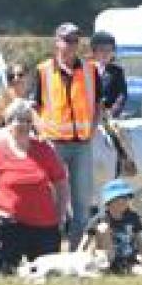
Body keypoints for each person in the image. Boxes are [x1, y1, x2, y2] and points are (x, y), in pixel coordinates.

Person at [0, 99, 70, 274]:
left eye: (26, 119)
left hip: (43, 224)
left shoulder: (44, 150)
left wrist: (61, 214)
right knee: (0, 274)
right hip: (9, 224)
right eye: (17, 119)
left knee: (49, 276)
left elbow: (61, 183)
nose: (22, 124)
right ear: (8, 125)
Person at [34, 22, 102, 250]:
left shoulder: (91, 70)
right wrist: (42, 132)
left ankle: (76, 253)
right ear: (57, 42)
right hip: (54, 145)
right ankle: (50, 249)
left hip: (82, 144)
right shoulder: (43, 71)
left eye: (75, 40)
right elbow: (35, 107)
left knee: (82, 205)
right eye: (67, 40)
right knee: (54, 203)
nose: (71, 45)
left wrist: (93, 128)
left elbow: (99, 104)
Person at [81, 179, 142, 275]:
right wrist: (78, 262)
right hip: (104, 260)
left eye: (127, 197)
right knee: (103, 228)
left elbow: (140, 242)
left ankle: (124, 269)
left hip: (128, 261)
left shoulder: (133, 217)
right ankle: (106, 269)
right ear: (110, 200)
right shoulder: (99, 218)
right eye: (121, 197)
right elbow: (84, 243)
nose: (126, 201)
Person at [0, 62, 36, 147]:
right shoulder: (1, 99)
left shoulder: (32, 101)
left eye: (20, 75)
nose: (16, 78)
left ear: (28, 77)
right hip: (3, 142)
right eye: (11, 76)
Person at [89, 31, 128, 119]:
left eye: (109, 50)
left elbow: (122, 95)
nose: (105, 54)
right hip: (88, 116)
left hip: (110, 116)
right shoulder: (84, 70)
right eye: (102, 50)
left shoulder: (117, 71)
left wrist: (112, 111)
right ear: (94, 52)